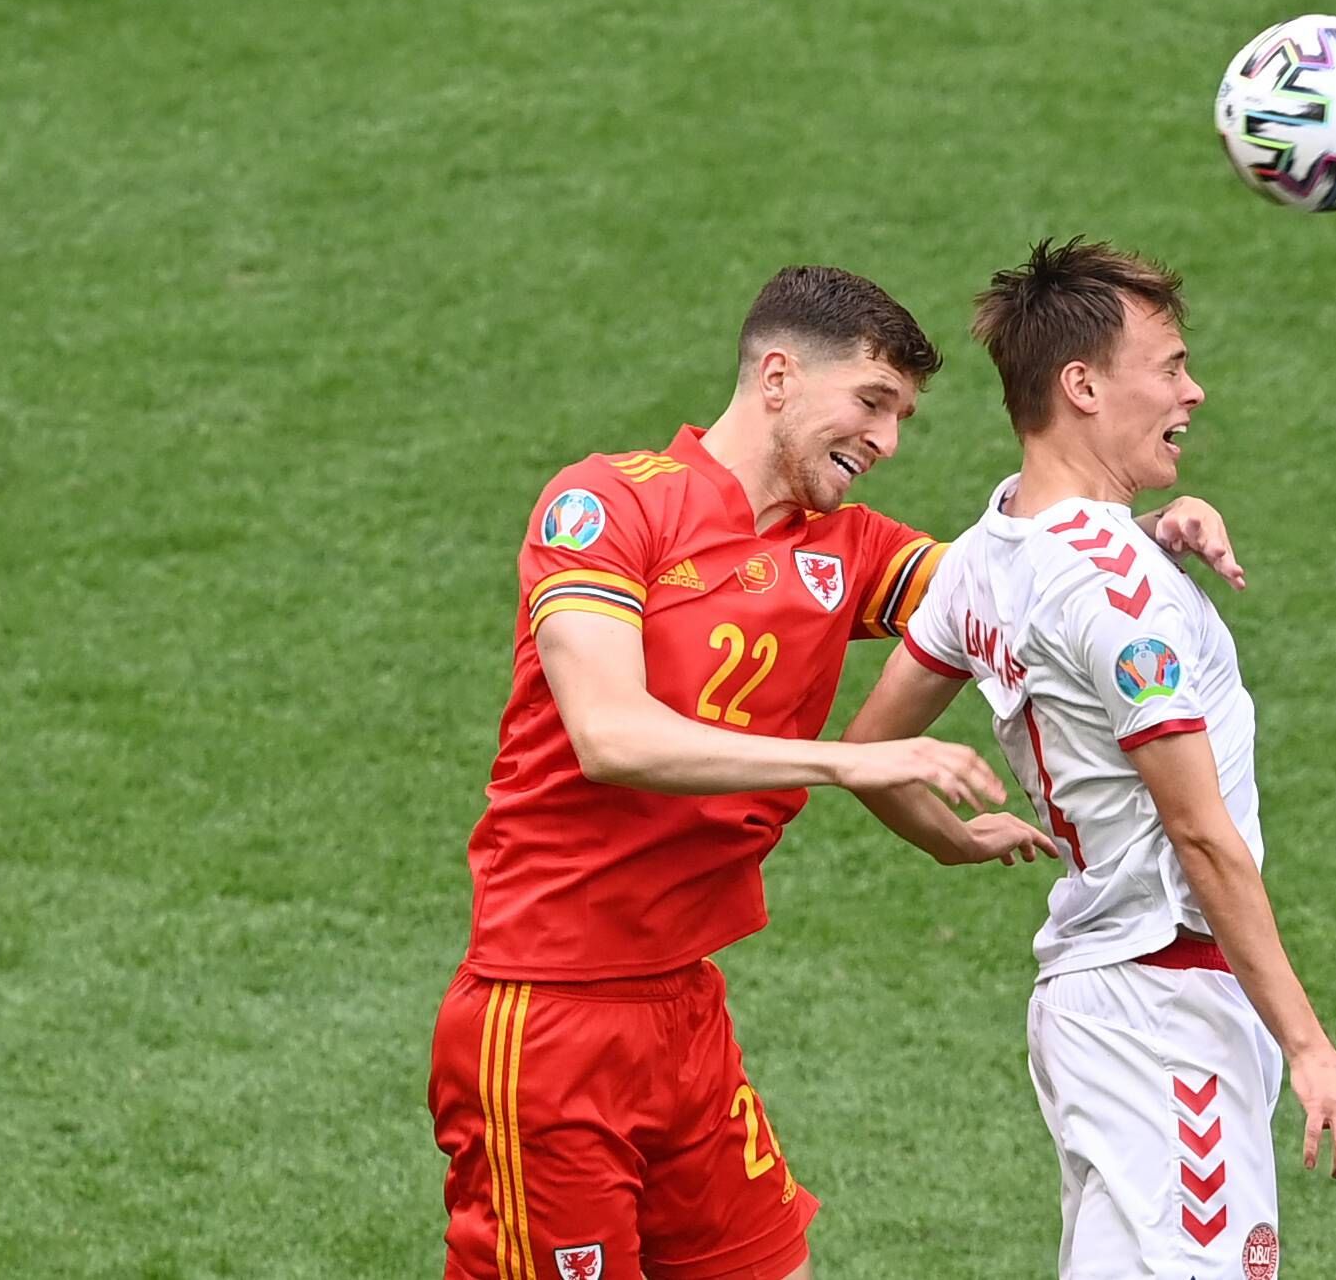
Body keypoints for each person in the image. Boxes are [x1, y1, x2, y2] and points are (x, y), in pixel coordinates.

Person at [428, 263, 1244, 1280]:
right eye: (869, 402)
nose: (886, 440)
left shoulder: (847, 548)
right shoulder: (604, 505)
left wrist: (1149, 537)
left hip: (684, 1008)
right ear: (776, 376)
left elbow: (1041, 584)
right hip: (546, 1015)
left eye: (901, 414)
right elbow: (612, 734)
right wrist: (856, 759)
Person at [841, 239, 1336, 1279]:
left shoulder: (986, 552)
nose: (1194, 389)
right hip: (1166, 1008)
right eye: (1171, 365)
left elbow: (871, 750)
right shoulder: (1113, 593)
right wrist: (1310, 1046)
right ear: (1082, 385)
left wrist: (951, 841)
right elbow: (1198, 829)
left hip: (1092, 1007)